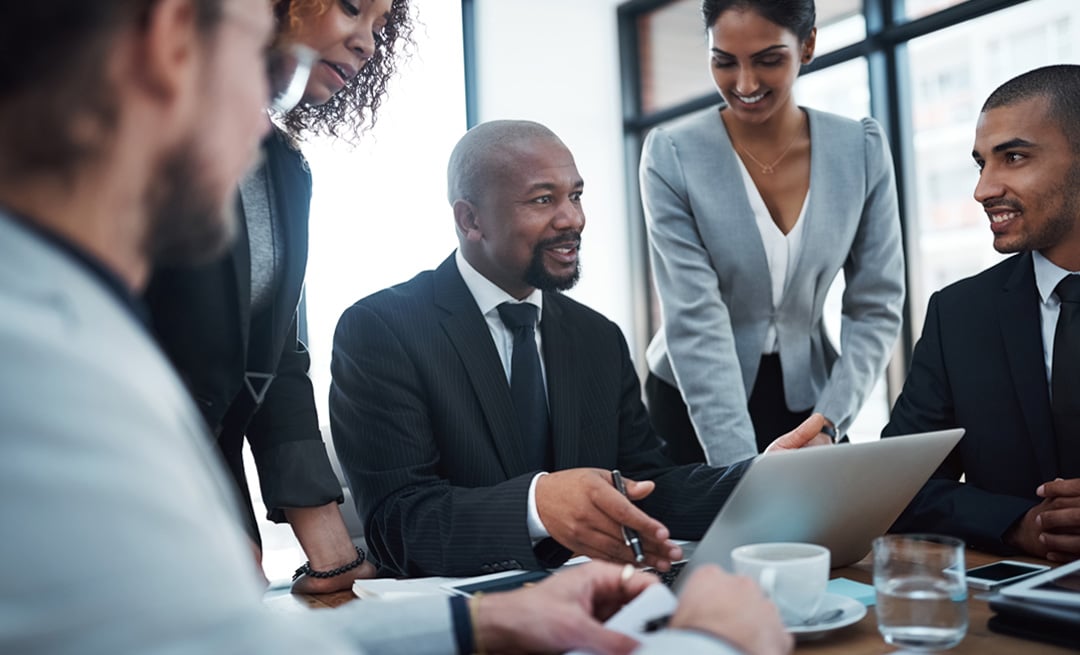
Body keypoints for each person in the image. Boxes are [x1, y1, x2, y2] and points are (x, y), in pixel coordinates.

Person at [0, 1, 794, 653]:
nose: (270, 119)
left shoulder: (65, 327)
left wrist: (484, 618)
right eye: (259, 63)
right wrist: (715, 645)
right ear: (171, 45)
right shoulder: (52, 378)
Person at [329, 119, 829, 578]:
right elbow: (399, 524)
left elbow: (645, 487)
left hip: (603, 605)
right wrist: (538, 504)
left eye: (576, 195)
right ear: (470, 220)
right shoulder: (381, 330)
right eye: (543, 200)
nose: (573, 219)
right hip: (466, 620)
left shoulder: (598, 337)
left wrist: (762, 479)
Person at [143, 0, 414, 593]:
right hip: (121, 476)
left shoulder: (286, 169)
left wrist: (332, 554)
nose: (367, 42)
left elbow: (273, 358)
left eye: (380, 27)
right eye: (351, 8)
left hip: (204, 486)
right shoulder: (144, 123)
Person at [640, 0, 905, 466]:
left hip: (810, 406)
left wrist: (830, 420)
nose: (744, 84)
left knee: (822, 537)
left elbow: (876, 305)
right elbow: (695, 317)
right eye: (724, 61)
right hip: (690, 401)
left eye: (768, 59)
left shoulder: (860, 150)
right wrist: (741, 471)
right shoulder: (672, 154)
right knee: (711, 535)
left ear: (807, 45)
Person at [884, 64, 1080, 563]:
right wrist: (1017, 525)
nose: (983, 189)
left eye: (1014, 157)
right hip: (1007, 612)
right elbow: (900, 486)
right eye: (981, 164)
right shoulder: (958, 315)